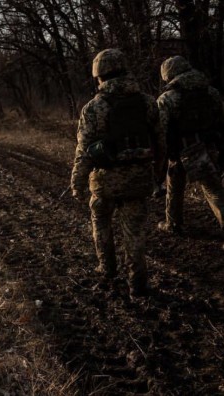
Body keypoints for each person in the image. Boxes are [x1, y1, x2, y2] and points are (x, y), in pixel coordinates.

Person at [70, 48, 165, 296]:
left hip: (104, 182)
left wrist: (77, 183)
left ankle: (107, 268)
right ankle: (138, 283)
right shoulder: (147, 102)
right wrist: (158, 174)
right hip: (139, 179)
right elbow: (160, 142)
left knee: (101, 222)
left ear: (99, 75)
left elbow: (84, 151)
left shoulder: (93, 108)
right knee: (135, 233)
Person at [155, 55, 224, 238]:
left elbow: (159, 130)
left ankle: (173, 223)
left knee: (178, 188)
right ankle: (172, 223)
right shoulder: (212, 92)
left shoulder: (167, 99)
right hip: (209, 148)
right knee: (212, 190)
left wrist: (161, 155)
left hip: (181, 150)